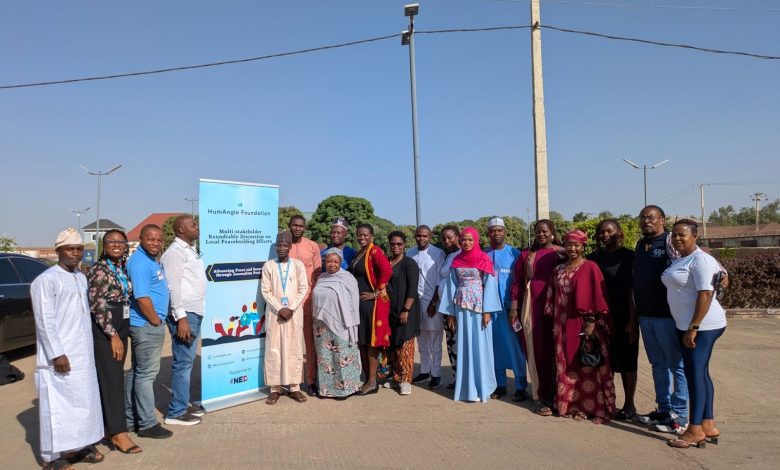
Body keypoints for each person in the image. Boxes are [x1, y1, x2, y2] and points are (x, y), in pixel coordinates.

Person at [31, 228, 105, 469]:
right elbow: (45, 321)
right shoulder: (45, 280)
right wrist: (56, 353)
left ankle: (77, 447)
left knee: (82, 403)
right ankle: (50, 457)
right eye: (70, 249)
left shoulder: (80, 277)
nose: (75, 253)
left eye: (79, 249)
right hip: (59, 355)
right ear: (58, 251)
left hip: (82, 352)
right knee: (56, 407)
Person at [662, 220, 727, 449]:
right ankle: (708, 424)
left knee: (694, 374)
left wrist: (694, 327)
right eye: (674, 235)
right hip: (688, 325)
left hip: (703, 326)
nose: (677, 238)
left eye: (682, 235)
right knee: (701, 373)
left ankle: (695, 429)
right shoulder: (683, 259)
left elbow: (706, 294)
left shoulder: (700, 259)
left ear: (695, 236)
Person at [544, 230, 616, 423]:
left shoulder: (590, 267)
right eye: (569, 244)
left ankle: (590, 407)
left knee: (585, 365)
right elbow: (552, 296)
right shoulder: (558, 270)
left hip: (583, 325)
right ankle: (567, 404)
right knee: (565, 364)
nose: (572, 248)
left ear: (583, 246)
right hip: (561, 325)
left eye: (577, 245)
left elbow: (597, 297)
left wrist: (591, 324)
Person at [633, 205, 688, 433]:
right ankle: (663, 410)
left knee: (676, 365)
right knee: (657, 365)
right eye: (643, 218)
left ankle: (680, 415)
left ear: (662, 220)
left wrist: (720, 273)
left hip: (666, 316)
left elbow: (690, 260)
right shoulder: (641, 244)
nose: (646, 221)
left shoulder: (669, 241)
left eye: (651, 217)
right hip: (645, 315)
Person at [87, 229, 142, 454]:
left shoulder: (121, 267)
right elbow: (97, 304)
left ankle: (108, 428)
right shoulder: (98, 270)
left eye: (121, 241)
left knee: (114, 377)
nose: (117, 245)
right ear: (104, 245)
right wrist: (112, 335)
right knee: (112, 380)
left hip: (122, 319)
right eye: (111, 241)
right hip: (107, 326)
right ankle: (119, 433)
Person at [438, 227, 501, 403]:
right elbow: (451, 286)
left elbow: (489, 285)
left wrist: (487, 311)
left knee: (479, 345)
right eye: (464, 240)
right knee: (463, 345)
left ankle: (481, 387)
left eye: (470, 240)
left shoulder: (484, 259)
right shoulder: (456, 260)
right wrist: (450, 313)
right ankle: (465, 387)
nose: (466, 243)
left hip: (479, 308)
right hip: (461, 308)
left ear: (476, 241)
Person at [509, 219, 563, 415]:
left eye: (545, 231)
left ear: (552, 232)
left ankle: (560, 396)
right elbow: (517, 283)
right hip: (532, 307)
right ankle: (540, 396)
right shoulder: (526, 255)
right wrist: (514, 308)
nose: (541, 234)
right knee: (536, 351)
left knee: (557, 351)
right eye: (537, 231)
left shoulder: (561, 253)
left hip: (558, 307)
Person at [587, 219, 639, 420]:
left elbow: (632, 291)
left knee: (627, 361)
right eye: (601, 232)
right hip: (600, 318)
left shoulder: (629, 257)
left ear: (619, 232)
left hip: (624, 316)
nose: (605, 234)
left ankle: (629, 404)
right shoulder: (593, 258)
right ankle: (606, 403)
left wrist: (633, 321)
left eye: (609, 231)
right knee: (603, 362)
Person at [125, 224, 173, 439]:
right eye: (150, 239)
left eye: (159, 240)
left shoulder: (151, 260)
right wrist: (155, 320)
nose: (155, 243)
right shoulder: (140, 263)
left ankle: (130, 418)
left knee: (137, 373)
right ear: (141, 239)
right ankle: (146, 424)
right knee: (147, 375)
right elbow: (142, 297)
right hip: (146, 326)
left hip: (146, 325)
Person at [160, 215, 207, 426]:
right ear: (180, 229)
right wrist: (181, 319)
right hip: (185, 314)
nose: (197, 227)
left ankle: (183, 402)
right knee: (183, 363)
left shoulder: (190, 250)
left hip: (194, 312)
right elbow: (173, 286)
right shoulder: (174, 253)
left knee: (186, 362)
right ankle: (176, 412)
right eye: (192, 225)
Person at [261, 231, 310, 404]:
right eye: (279, 245)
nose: (281, 248)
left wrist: (290, 307)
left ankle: (294, 387)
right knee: (274, 348)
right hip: (275, 314)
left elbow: (304, 288)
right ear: (275, 246)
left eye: (285, 245)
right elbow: (265, 291)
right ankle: (275, 388)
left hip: (293, 314)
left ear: (290, 247)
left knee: (294, 348)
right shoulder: (268, 266)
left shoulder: (298, 265)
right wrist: (280, 308)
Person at [484, 217, 529, 402]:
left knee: (516, 347)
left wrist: (516, 306)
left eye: (499, 230)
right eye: (493, 231)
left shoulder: (515, 254)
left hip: (511, 310)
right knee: (494, 348)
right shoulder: (483, 255)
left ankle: (520, 385)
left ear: (505, 232)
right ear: (488, 234)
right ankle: (500, 384)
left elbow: (521, 282)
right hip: (490, 311)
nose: (496, 234)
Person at [347, 223, 392, 395]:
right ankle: (367, 379)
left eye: (365, 234)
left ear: (371, 235)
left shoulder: (375, 251)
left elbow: (386, 271)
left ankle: (372, 381)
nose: (362, 237)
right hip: (359, 303)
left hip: (371, 304)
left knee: (371, 343)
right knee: (363, 342)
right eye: (359, 234)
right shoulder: (360, 253)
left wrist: (376, 293)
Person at [312, 248, 362, 399]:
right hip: (321, 325)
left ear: (341, 262)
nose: (332, 264)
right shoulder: (321, 277)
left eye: (335, 261)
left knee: (341, 356)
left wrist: (350, 322)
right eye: (329, 261)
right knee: (324, 357)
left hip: (341, 323)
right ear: (324, 262)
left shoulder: (347, 278)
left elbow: (353, 303)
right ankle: (326, 389)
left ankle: (344, 390)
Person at [287, 215, 322, 397]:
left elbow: (317, 274)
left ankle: (311, 381)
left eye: (301, 226)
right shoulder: (283, 245)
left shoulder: (312, 246)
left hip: (308, 300)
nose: (298, 228)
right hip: (288, 303)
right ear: (289, 226)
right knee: (291, 344)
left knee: (310, 344)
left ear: (305, 228)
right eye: (295, 225)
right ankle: (292, 382)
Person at [408, 225, 446, 389]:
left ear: (430, 237)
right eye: (418, 236)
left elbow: (440, 280)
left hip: (432, 303)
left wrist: (434, 302)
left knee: (435, 341)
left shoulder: (438, 253)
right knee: (421, 339)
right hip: (416, 303)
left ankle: (436, 374)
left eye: (424, 236)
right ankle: (425, 371)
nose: (421, 238)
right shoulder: (410, 253)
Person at [385, 231, 421, 396]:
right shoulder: (386, 261)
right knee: (393, 345)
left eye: (399, 244)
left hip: (406, 310)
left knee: (405, 345)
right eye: (393, 244)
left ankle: (406, 380)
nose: (396, 246)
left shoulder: (409, 263)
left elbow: (413, 289)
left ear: (404, 244)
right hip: (389, 311)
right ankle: (395, 377)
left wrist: (405, 310)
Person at [438, 225, 461, 389]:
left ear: (458, 236)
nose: (447, 241)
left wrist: (453, 309)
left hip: (457, 308)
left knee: (460, 343)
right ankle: (456, 377)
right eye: (444, 239)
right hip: (445, 307)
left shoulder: (463, 255)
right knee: (451, 343)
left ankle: (463, 378)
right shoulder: (449, 256)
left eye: (450, 237)